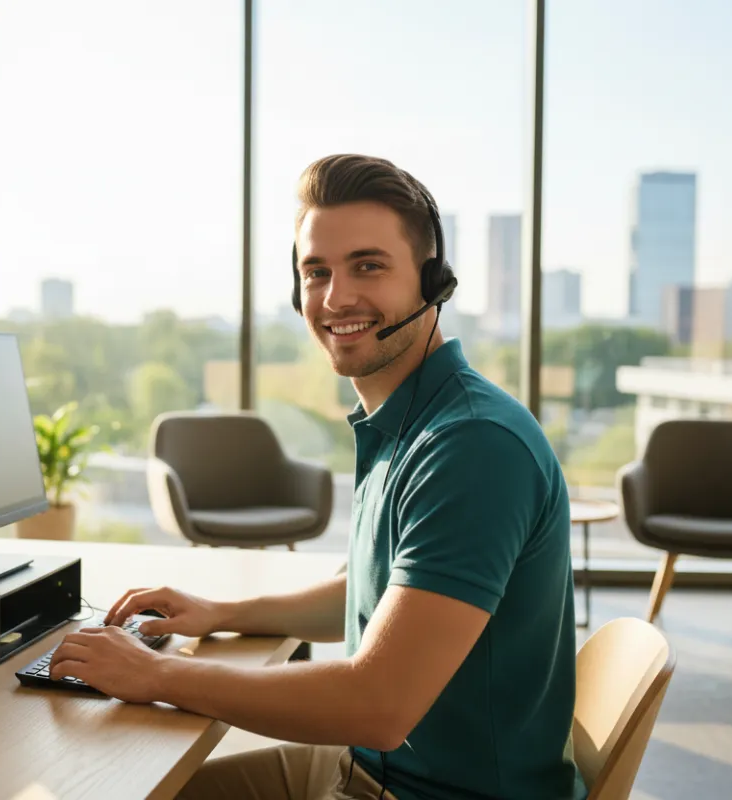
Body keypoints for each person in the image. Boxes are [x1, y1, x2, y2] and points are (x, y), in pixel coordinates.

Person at [50, 154, 585, 800]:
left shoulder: (471, 447)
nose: (336, 298)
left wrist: (156, 677)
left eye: (368, 266)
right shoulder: (408, 418)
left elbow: (378, 706)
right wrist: (220, 613)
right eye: (316, 272)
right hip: (374, 770)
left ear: (432, 280)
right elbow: (374, 594)